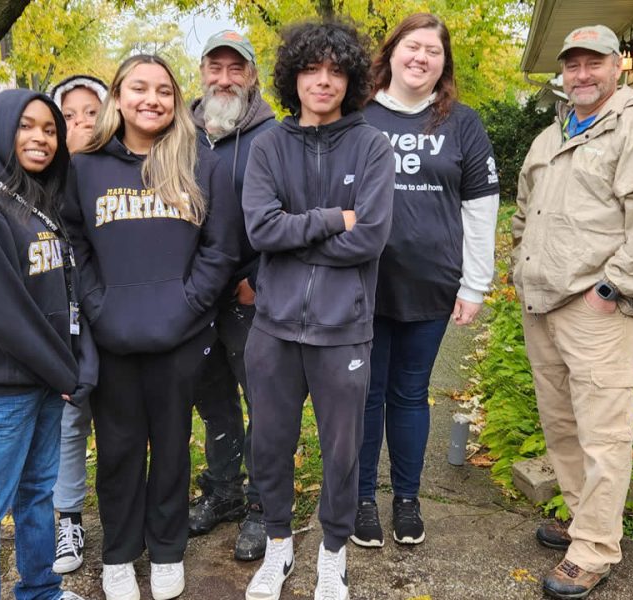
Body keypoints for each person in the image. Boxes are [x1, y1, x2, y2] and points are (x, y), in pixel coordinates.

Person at [513, 24, 633, 600]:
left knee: (602, 433)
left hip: (598, 310)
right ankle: (580, 517)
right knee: (561, 424)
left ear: (619, 66)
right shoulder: (552, 134)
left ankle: (595, 548)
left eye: (595, 63)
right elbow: (524, 213)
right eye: (573, 65)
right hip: (543, 304)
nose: (582, 74)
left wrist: (611, 290)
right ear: (563, 72)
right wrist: (521, 266)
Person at [63, 54, 241, 600]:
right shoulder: (85, 166)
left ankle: (166, 550)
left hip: (181, 336)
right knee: (117, 449)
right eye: (139, 88)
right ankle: (119, 553)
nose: (153, 99)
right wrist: (97, 306)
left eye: (164, 90)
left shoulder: (198, 161)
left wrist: (189, 306)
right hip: (112, 336)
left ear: (175, 100)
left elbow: (220, 248)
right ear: (117, 97)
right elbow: (73, 243)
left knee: (171, 445)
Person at [241, 20, 395, 600]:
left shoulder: (372, 146)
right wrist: (334, 218)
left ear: (351, 79)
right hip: (274, 327)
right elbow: (261, 228)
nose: (323, 81)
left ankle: (333, 550)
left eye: (336, 70)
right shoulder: (268, 145)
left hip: (343, 328)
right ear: (294, 76)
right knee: (271, 442)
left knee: (341, 448)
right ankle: (279, 546)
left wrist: (295, 232)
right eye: (312, 68)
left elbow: (372, 238)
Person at [0, 88, 95, 600]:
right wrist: (66, 373)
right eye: (27, 126)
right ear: (0, 131)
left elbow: (63, 295)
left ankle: (40, 590)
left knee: (36, 495)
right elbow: (1, 313)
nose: (41, 138)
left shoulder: (35, 203)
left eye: (50, 130)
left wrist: (72, 364)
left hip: (45, 383)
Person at [353, 13, 500, 548]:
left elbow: (482, 207)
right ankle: (363, 497)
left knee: (411, 393)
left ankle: (408, 499)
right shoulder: (357, 114)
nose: (421, 58)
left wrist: (475, 284)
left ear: (444, 63)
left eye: (433, 51)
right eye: (412, 47)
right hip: (360, 286)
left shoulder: (461, 123)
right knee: (365, 393)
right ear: (390, 53)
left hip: (430, 284)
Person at [187, 29, 277, 562]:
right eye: (215, 67)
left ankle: (266, 506)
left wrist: (258, 281)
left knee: (263, 402)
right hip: (193, 296)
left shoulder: (273, 136)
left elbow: (289, 213)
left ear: (253, 76)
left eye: (235, 68)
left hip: (248, 294)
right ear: (201, 72)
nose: (224, 78)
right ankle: (223, 492)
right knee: (213, 401)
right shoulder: (177, 130)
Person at [47, 73, 108, 575]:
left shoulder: (121, 165)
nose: (82, 123)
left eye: (92, 111)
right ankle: (69, 518)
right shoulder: (43, 174)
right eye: (69, 115)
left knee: (119, 420)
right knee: (70, 418)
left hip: (114, 313)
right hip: (62, 318)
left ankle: (124, 510)